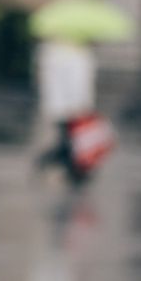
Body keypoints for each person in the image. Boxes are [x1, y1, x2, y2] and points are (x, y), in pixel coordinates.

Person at [34, 38, 97, 190]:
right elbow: (79, 86)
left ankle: (66, 167)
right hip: (72, 108)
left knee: (69, 140)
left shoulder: (52, 53)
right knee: (70, 141)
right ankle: (69, 168)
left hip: (63, 107)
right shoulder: (77, 56)